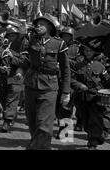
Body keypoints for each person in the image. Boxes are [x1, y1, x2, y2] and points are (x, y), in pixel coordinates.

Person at [22, 14, 70, 150]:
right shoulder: (30, 41)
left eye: (41, 24)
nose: (38, 26)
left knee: (44, 123)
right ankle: (38, 144)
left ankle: (39, 147)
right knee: (32, 120)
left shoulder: (59, 43)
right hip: (31, 84)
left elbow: (66, 70)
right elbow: (23, 56)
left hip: (49, 86)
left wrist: (66, 92)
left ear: (49, 27)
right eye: (37, 24)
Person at [71, 42, 110, 149]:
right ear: (83, 52)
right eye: (86, 50)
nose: (88, 53)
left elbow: (106, 79)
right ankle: (93, 135)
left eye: (90, 51)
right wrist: (79, 85)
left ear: (94, 52)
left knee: (95, 119)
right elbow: (71, 79)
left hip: (96, 97)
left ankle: (93, 141)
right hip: (82, 97)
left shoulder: (100, 65)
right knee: (85, 119)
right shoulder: (77, 65)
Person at [0, 26, 27, 133]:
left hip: (16, 77)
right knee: (3, 99)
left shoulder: (22, 47)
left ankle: (7, 121)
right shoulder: (2, 45)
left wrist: (12, 56)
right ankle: (10, 117)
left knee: (12, 100)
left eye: (14, 35)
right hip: (3, 77)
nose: (12, 38)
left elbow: (24, 63)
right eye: (10, 35)